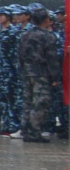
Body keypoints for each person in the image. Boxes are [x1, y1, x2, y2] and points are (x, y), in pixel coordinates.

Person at [17, 9, 63, 143]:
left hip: (27, 71)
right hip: (41, 72)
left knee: (27, 101)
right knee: (40, 102)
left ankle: (25, 129)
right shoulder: (48, 37)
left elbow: (20, 55)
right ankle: (34, 132)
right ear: (46, 21)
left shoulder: (25, 35)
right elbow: (51, 59)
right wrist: (55, 77)